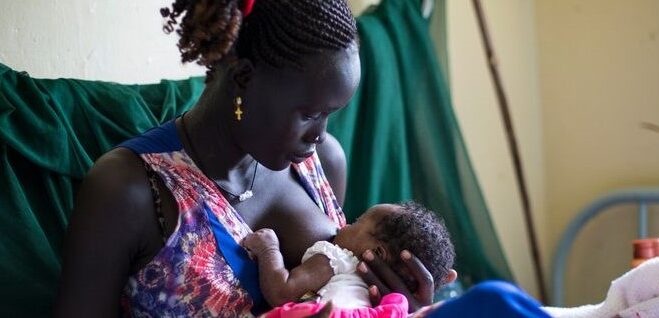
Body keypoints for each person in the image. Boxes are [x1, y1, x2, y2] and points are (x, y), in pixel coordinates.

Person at [54, 0, 448, 317]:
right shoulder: (131, 190)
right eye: (309, 114)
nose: (321, 134)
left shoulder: (322, 162)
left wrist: (397, 308)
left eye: (331, 114)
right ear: (243, 78)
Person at [242, 202, 456, 317]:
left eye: (356, 222)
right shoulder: (392, 307)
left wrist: (269, 249)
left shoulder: (337, 259)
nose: (343, 226)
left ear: (377, 253)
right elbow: (306, 297)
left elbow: (282, 294)